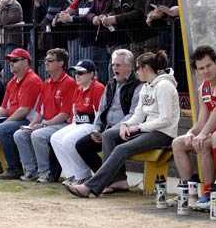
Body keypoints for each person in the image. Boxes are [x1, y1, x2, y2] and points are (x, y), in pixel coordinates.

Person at [66, 50, 180, 197]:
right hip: (148, 130)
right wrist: (126, 125)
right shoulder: (147, 86)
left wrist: (138, 127)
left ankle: (90, 187)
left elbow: (166, 119)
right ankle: (114, 181)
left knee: (121, 149)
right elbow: (139, 114)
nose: (136, 71)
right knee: (108, 135)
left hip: (163, 134)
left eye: (137, 68)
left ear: (145, 68)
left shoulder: (164, 86)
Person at [0, 48, 43, 178]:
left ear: (26, 62)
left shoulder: (32, 80)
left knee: (2, 128)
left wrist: (6, 121)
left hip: (30, 120)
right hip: (15, 118)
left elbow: (24, 110)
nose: (11, 63)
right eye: (10, 60)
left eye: (15, 60)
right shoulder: (12, 82)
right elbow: (4, 108)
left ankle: (15, 168)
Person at [14, 48, 77, 182]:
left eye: (50, 60)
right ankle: (31, 171)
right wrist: (31, 125)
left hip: (63, 124)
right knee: (19, 134)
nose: (46, 63)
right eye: (45, 60)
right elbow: (39, 110)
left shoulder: (69, 83)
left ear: (61, 63)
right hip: (48, 123)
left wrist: (43, 124)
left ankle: (45, 173)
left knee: (38, 135)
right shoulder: (46, 83)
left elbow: (65, 114)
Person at [172, 46, 216, 209]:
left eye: (209, 66)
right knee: (178, 143)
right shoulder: (202, 89)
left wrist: (202, 135)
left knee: (204, 143)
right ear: (197, 71)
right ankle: (189, 192)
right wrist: (191, 133)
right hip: (213, 132)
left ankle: (208, 192)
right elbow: (201, 122)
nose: (206, 71)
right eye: (201, 68)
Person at [50, 59, 104, 185]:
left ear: (91, 74)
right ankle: (72, 174)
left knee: (68, 140)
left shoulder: (98, 88)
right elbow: (75, 111)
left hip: (92, 124)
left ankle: (83, 175)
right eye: (76, 73)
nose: (77, 76)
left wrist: (97, 130)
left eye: (81, 73)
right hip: (79, 123)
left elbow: (100, 113)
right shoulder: (78, 89)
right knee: (55, 138)